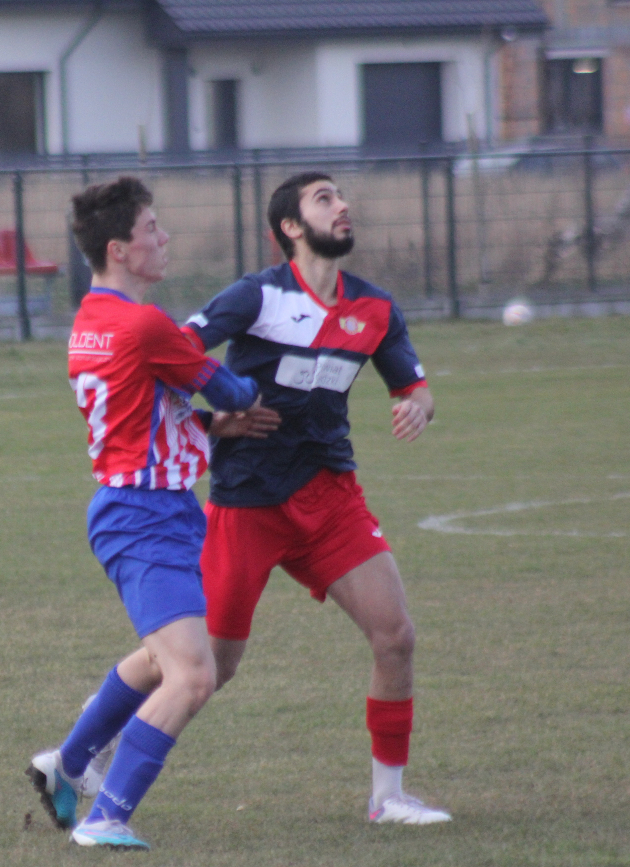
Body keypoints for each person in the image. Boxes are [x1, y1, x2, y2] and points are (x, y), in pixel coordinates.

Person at [181, 171, 452, 825]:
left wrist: (419, 405)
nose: (344, 205)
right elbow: (170, 355)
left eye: (343, 195)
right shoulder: (255, 296)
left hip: (330, 498)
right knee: (208, 668)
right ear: (291, 228)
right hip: (246, 503)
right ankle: (89, 749)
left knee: (396, 636)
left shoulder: (376, 309)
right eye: (324, 199)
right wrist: (212, 418)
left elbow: (413, 388)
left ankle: (387, 798)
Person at [26, 177, 272, 851]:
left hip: (144, 505)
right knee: (194, 673)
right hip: (145, 513)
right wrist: (257, 376)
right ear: (120, 249)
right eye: (153, 230)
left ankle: (68, 763)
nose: (164, 240)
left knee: (166, 658)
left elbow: (141, 412)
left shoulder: (93, 320)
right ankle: (106, 814)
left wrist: (204, 428)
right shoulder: (145, 324)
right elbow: (233, 386)